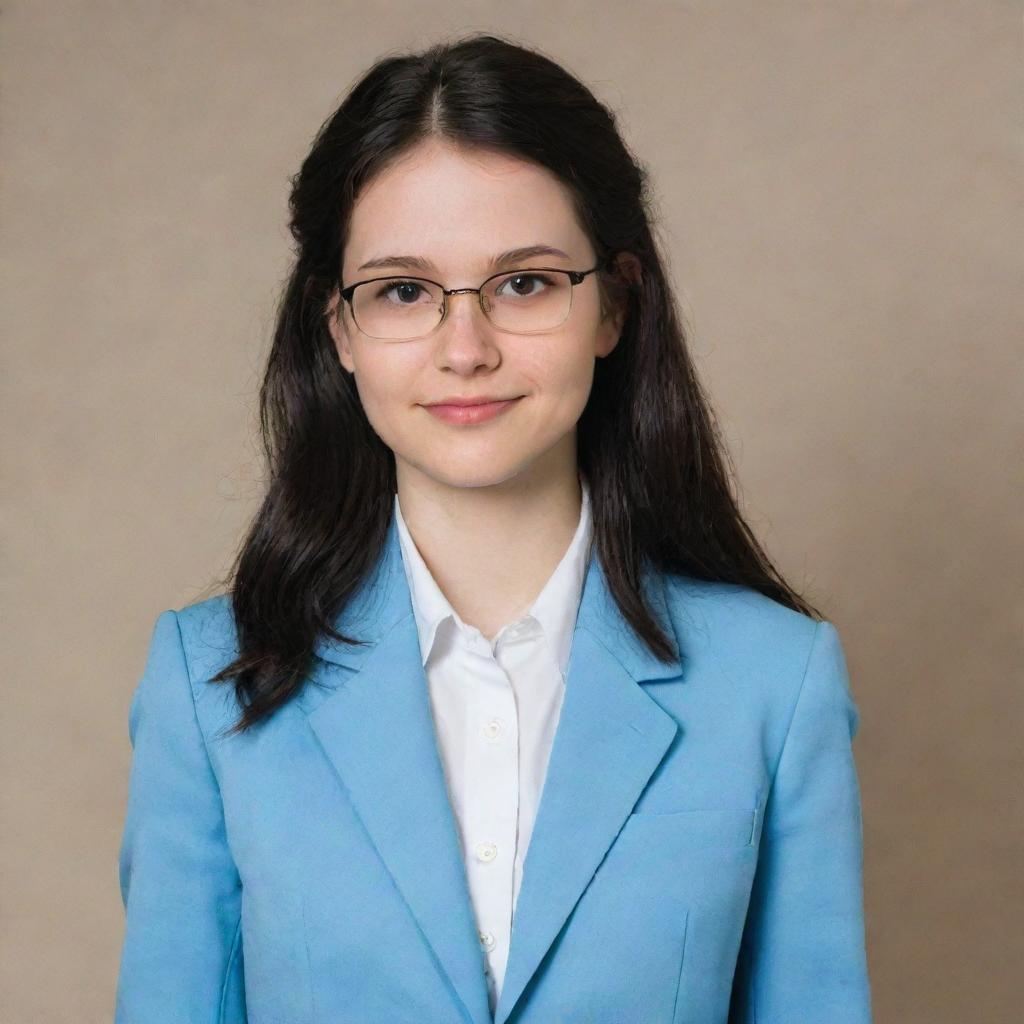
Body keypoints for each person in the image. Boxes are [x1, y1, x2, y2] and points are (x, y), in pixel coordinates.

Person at [114, 32, 873, 1024]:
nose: (463, 347)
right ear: (337, 330)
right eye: (401, 291)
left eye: (523, 282)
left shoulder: (775, 682)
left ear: (613, 306)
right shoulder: (207, 682)